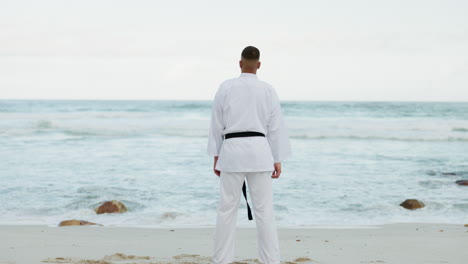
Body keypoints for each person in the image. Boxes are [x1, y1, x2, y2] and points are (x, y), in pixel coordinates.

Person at [207, 46, 292, 264]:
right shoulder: (268, 90)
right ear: (259, 65)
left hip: (232, 151)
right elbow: (275, 127)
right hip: (259, 152)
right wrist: (277, 158)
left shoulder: (226, 87)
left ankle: (221, 260)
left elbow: (216, 124)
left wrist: (216, 155)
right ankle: (271, 260)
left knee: (226, 210)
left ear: (240, 63)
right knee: (265, 211)